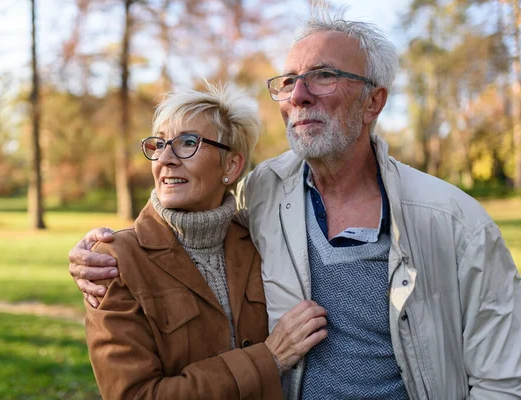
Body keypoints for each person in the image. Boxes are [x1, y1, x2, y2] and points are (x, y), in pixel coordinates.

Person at [69, 9, 521, 400]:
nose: (298, 95)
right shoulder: (263, 194)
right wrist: (95, 254)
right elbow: (186, 221)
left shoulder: (455, 221)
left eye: (324, 75)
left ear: (374, 101)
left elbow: (502, 379)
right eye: (288, 82)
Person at [82, 82, 328, 400]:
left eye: (187, 143)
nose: (165, 159)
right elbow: (136, 395)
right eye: (159, 144)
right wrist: (269, 359)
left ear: (231, 165)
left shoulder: (260, 239)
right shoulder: (114, 260)